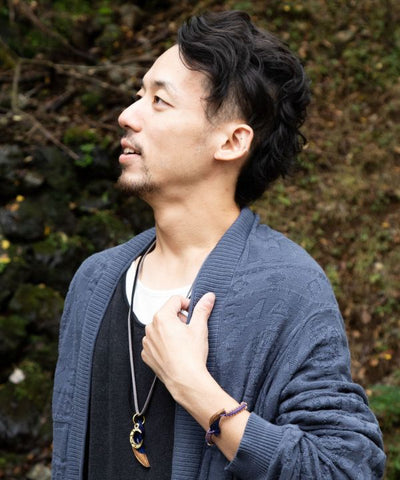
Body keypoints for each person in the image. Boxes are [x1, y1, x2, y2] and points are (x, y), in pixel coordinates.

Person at [52, 10, 385, 480]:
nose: (127, 115)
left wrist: (194, 387)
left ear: (230, 141)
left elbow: (342, 468)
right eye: (138, 94)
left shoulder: (288, 288)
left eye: (159, 100)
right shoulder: (94, 280)